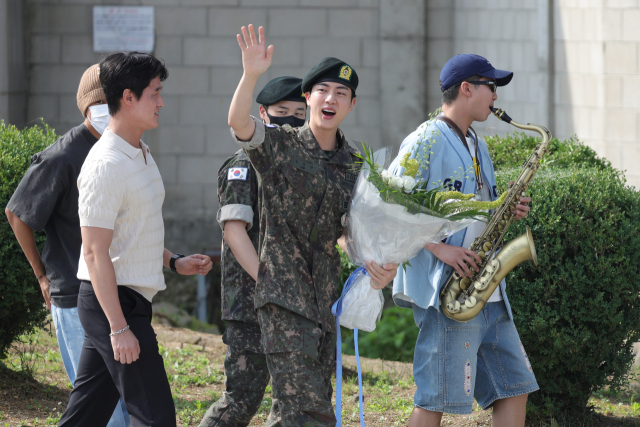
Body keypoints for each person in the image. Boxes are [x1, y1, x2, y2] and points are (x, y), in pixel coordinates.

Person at [227, 24, 398, 426]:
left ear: (351, 105)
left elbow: (351, 233)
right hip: (283, 298)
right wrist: (250, 74)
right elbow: (238, 123)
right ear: (308, 98)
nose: (331, 99)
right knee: (309, 410)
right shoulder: (280, 146)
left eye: (341, 94)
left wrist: (376, 263)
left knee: (302, 404)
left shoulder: (354, 164)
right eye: (322, 90)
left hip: (326, 302)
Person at [57, 52, 213, 427]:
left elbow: (130, 233)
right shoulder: (105, 165)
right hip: (113, 303)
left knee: (85, 416)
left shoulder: (139, 151)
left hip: (128, 300)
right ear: (128, 97)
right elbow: (94, 254)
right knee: (155, 416)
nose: (161, 102)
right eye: (155, 93)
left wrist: (173, 261)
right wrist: (118, 327)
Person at [389, 54, 538, 427]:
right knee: (435, 398)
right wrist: (440, 248)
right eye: (492, 86)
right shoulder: (424, 139)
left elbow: (476, 211)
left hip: (486, 288)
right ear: (467, 88)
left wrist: (505, 208)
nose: (496, 96)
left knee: (514, 386)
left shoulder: (477, 143)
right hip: (448, 292)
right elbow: (389, 202)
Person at [5, 64, 130, 427]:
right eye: (103, 101)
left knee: (115, 403)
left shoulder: (120, 148)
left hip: (116, 294)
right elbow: (18, 214)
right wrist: (42, 276)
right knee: (100, 411)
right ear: (87, 106)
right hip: (75, 297)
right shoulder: (62, 156)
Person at [199, 76, 307, 427]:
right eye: (281, 113)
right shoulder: (242, 165)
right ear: (262, 114)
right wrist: (269, 280)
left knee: (291, 401)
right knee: (242, 399)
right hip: (252, 304)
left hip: (294, 304)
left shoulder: (300, 167)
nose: (291, 121)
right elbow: (234, 231)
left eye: (299, 113)